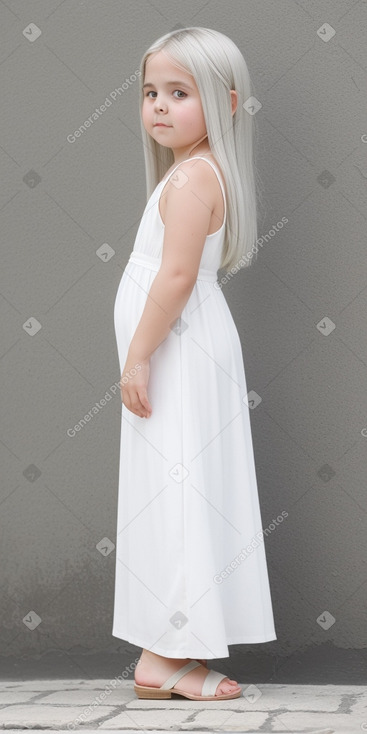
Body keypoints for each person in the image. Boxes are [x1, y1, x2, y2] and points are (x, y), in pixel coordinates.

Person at [112, 27, 277, 702]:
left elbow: (176, 275)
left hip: (175, 348)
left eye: (178, 93)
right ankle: (163, 652)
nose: (157, 105)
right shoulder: (192, 173)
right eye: (150, 91)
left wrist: (139, 355)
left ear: (226, 103)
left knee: (179, 490)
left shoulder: (192, 179)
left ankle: (166, 654)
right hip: (178, 346)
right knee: (172, 490)